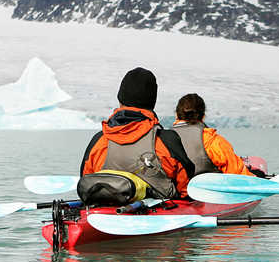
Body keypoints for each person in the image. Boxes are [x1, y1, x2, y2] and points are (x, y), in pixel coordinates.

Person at [79, 68, 195, 200]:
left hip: (105, 216)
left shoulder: (98, 141)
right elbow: (187, 189)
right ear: (152, 102)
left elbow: (86, 184)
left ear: (120, 99)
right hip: (158, 217)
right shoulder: (166, 140)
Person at [170, 93, 261, 177]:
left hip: (175, 190)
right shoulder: (212, 141)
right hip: (205, 190)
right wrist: (257, 177)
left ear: (177, 115)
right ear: (203, 116)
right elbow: (237, 173)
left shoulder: (163, 138)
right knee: (258, 172)